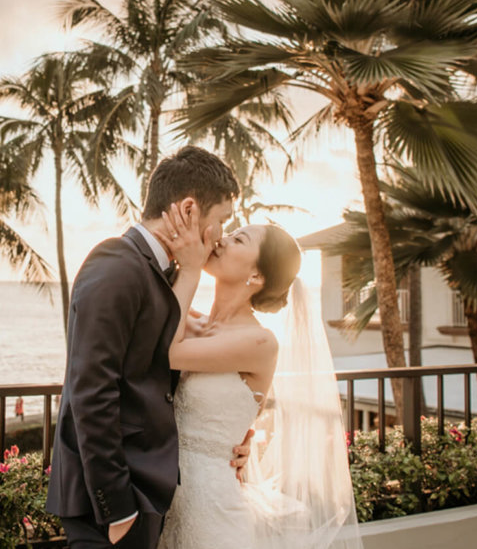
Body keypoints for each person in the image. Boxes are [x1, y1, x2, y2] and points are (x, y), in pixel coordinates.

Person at [45, 146, 253, 549]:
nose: (222, 235)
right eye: (222, 220)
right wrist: (117, 507)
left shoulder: (169, 274)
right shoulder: (116, 265)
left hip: (149, 491)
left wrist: (238, 430)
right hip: (111, 502)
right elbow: (91, 391)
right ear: (190, 210)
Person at [154, 208, 361, 548]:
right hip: (167, 502)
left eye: (239, 239)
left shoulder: (260, 342)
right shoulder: (191, 322)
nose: (222, 240)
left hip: (214, 513)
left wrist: (191, 269)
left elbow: (169, 353)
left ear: (256, 276)